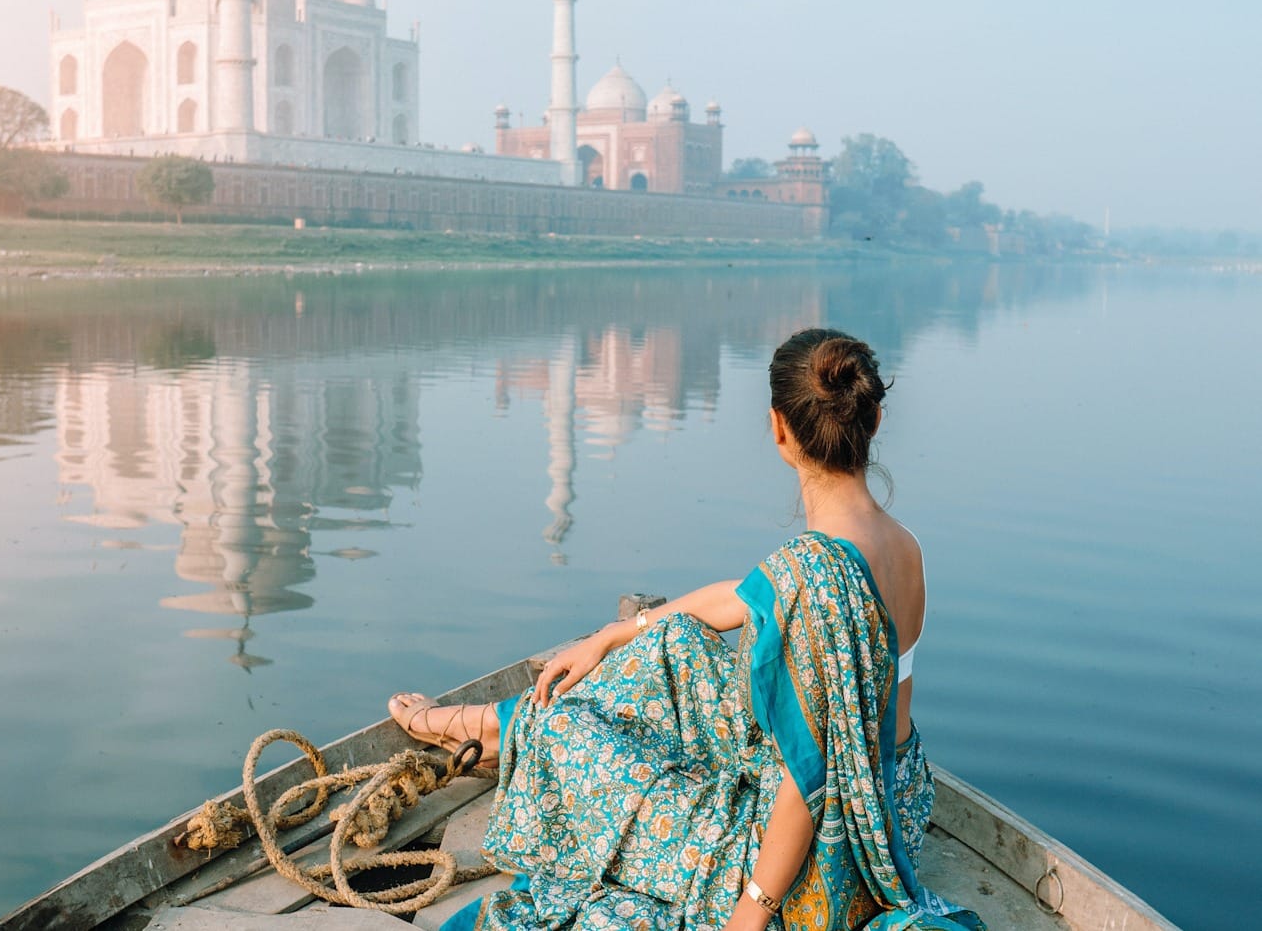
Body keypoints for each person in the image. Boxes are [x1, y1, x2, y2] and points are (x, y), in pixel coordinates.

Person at [389, 329, 983, 931]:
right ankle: (501, 727)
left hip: (822, 850)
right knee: (671, 639)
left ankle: (509, 729)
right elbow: (742, 597)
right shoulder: (902, 548)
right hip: (895, 802)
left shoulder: (811, 575)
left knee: (568, 730)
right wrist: (612, 635)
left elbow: (814, 776)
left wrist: (752, 911)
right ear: (875, 418)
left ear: (778, 429)